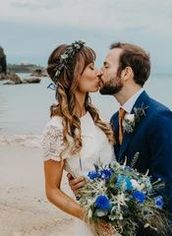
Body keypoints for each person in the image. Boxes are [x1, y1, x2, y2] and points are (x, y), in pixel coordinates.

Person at [69, 42, 172, 235]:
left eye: (106, 65)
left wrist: (115, 206)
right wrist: (88, 185)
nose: (100, 72)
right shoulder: (115, 119)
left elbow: (163, 187)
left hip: (168, 230)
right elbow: (113, 172)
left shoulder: (161, 118)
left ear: (126, 73)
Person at [42, 41, 115, 236]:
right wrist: (89, 216)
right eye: (91, 67)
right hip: (94, 221)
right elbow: (52, 191)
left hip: (119, 214)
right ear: (73, 76)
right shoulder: (55, 129)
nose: (99, 72)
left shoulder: (94, 117)